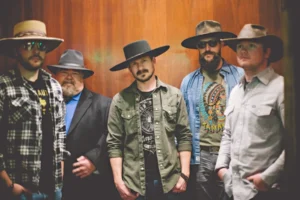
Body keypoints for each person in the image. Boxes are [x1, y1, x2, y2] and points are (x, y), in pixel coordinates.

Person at [107, 40, 192, 200]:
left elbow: (184, 136)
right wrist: (118, 181)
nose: (140, 68)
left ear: (154, 60)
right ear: (129, 68)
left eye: (144, 61)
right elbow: (114, 143)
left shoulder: (174, 95)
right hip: (135, 185)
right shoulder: (119, 101)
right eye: (134, 64)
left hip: (171, 182)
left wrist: (185, 175)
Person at [215, 24, 285, 200]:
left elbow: (295, 143)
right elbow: (228, 134)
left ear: (267, 52)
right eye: (240, 46)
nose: (243, 51)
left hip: (264, 192)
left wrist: (267, 178)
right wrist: (222, 169)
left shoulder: (281, 88)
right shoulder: (236, 91)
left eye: (251, 46)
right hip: (233, 190)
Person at [0, 20, 65, 200]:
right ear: (16, 50)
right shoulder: (3, 86)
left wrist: (60, 171)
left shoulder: (54, 86)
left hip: (53, 187)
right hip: (18, 188)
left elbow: (60, 132)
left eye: (41, 45)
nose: (36, 51)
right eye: (29, 45)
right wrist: (8, 184)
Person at [180, 20, 244, 199]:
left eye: (212, 43)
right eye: (202, 45)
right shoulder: (188, 82)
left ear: (221, 44)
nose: (207, 48)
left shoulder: (239, 76)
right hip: (201, 156)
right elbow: (182, 126)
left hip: (232, 154)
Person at [47, 49, 120, 200]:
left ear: (83, 77)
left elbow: (112, 136)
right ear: (55, 76)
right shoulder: (44, 102)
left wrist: (94, 160)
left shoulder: (103, 104)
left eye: (75, 73)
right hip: (49, 185)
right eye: (64, 72)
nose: (69, 77)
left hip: (88, 187)